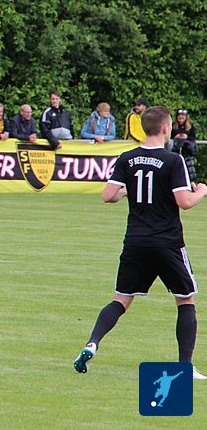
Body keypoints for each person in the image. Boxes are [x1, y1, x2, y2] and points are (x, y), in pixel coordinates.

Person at [73, 106, 207, 378]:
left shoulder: (127, 158)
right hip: (167, 242)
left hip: (135, 241)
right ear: (166, 128)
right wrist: (202, 192)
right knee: (185, 300)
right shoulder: (173, 160)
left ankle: (92, 343)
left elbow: (108, 195)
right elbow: (184, 201)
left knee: (121, 299)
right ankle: (184, 367)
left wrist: (126, 192)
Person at [171, 109, 198, 181]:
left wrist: (186, 137)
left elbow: (193, 138)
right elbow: (168, 138)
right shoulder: (172, 126)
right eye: (180, 116)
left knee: (189, 174)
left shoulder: (190, 127)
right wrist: (176, 137)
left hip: (187, 153)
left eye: (183, 116)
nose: (181, 118)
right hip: (175, 152)